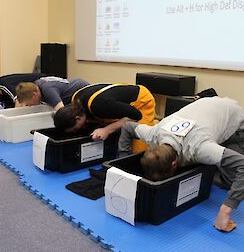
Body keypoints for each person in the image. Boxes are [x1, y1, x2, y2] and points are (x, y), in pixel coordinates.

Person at [118, 96, 244, 232]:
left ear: (174, 164)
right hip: (206, 111)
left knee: (231, 181)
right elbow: (127, 127)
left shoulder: (199, 148)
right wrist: (125, 167)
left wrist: (225, 211)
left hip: (235, 123)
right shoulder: (153, 134)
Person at [53, 83, 155, 153]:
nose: (77, 130)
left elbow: (136, 116)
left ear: (78, 118)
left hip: (140, 103)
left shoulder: (100, 106)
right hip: (116, 103)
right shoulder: (75, 99)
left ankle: (153, 125)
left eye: (75, 128)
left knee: (138, 150)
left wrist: (107, 130)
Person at [15, 77, 89, 111]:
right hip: (75, 85)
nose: (30, 106)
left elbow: (61, 111)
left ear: (34, 95)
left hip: (82, 90)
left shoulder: (48, 90)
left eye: (29, 104)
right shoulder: (35, 85)